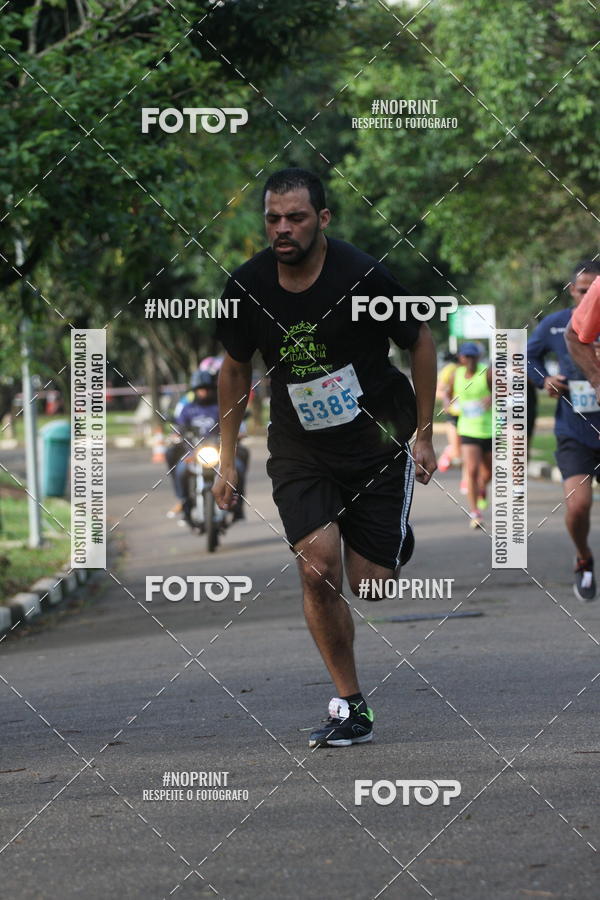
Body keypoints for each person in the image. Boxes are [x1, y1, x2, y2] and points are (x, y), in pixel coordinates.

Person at [213, 167, 437, 748]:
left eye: (296, 217)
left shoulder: (364, 277)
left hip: (378, 440)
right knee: (317, 565)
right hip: (301, 448)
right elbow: (235, 368)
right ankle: (350, 702)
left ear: (323, 219)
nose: (282, 229)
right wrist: (227, 458)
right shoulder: (246, 287)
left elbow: (420, 342)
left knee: (373, 588)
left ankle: (388, 543)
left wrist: (426, 434)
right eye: (272, 218)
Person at [527, 260, 600, 602]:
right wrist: (545, 379)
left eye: (594, 290)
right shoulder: (557, 325)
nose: (589, 296)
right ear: (573, 290)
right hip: (575, 430)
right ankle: (584, 559)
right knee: (578, 505)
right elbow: (525, 357)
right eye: (583, 290)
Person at [168, 368, 248, 521]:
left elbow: (235, 426)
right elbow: (178, 429)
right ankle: (184, 503)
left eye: (206, 388)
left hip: (220, 454)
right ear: (195, 390)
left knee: (239, 467)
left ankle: (237, 504)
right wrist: (175, 435)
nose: (203, 392)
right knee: (180, 471)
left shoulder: (221, 407)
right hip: (194, 454)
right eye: (200, 389)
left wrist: (238, 434)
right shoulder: (187, 409)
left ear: (212, 389)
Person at [445, 342, 493, 530]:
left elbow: (507, 390)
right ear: (461, 358)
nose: (470, 360)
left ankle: (482, 487)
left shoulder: (488, 373)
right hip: (468, 430)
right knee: (471, 470)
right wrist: (449, 405)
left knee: (488, 473)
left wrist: (493, 397)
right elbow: (447, 395)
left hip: (490, 430)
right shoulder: (455, 375)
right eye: (466, 356)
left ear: (478, 358)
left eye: (473, 357)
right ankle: (475, 513)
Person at [437, 352, 462, 473]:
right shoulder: (450, 369)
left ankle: (468, 481)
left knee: (469, 450)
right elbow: (438, 391)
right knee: (457, 451)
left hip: (469, 416)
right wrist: (449, 399)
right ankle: (448, 453)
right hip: (453, 413)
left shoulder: (478, 369)